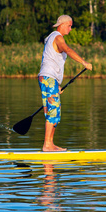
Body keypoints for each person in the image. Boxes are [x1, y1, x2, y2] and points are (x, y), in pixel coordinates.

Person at [38, 15, 93, 152]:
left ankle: (50, 144)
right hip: (48, 78)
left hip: (49, 78)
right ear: (61, 24)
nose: (71, 28)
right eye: (69, 25)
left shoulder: (52, 37)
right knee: (53, 111)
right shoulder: (57, 37)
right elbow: (67, 50)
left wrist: (57, 85)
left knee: (54, 111)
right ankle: (47, 145)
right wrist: (83, 62)